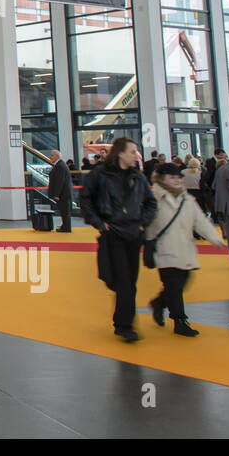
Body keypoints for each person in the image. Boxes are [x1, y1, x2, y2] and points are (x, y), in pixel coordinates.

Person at [79, 137, 157, 342]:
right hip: (113, 233)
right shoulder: (100, 174)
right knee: (122, 281)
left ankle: (123, 321)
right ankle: (125, 324)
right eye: (132, 151)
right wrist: (99, 222)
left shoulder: (137, 178)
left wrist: (142, 223)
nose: (135, 155)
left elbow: (151, 203)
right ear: (120, 153)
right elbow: (85, 199)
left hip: (133, 233)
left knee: (130, 281)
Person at [147, 163, 228, 337]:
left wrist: (214, 237)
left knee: (183, 281)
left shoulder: (187, 199)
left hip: (185, 248)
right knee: (174, 286)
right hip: (164, 249)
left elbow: (199, 221)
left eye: (178, 178)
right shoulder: (153, 198)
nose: (176, 181)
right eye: (171, 177)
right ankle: (180, 320)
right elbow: (145, 221)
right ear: (161, 179)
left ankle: (159, 303)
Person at [46, 149, 73, 232]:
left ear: (57, 156)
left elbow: (59, 181)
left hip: (63, 194)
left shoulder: (60, 166)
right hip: (64, 193)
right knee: (64, 211)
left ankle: (66, 227)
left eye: (52, 155)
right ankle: (65, 225)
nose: (50, 157)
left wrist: (57, 194)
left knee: (65, 211)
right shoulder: (60, 165)